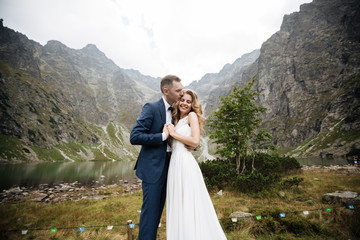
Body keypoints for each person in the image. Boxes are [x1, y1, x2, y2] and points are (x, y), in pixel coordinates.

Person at [166, 89, 227, 240]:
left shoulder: (192, 116)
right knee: (178, 204)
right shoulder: (176, 120)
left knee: (189, 203)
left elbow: (195, 141)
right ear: (178, 101)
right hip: (174, 165)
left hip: (185, 165)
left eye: (189, 101)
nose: (185, 104)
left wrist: (173, 134)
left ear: (193, 104)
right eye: (183, 100)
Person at [130, 75, 184, 239]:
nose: (182, 93)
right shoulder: (151, 107)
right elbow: (135, 136)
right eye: (178, 90)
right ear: (166, 91)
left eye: (182, 89)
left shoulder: (178, 110)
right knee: (151, 213)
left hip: (172, 166)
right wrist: (161, 136)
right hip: (153, 169)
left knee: (164, 210)